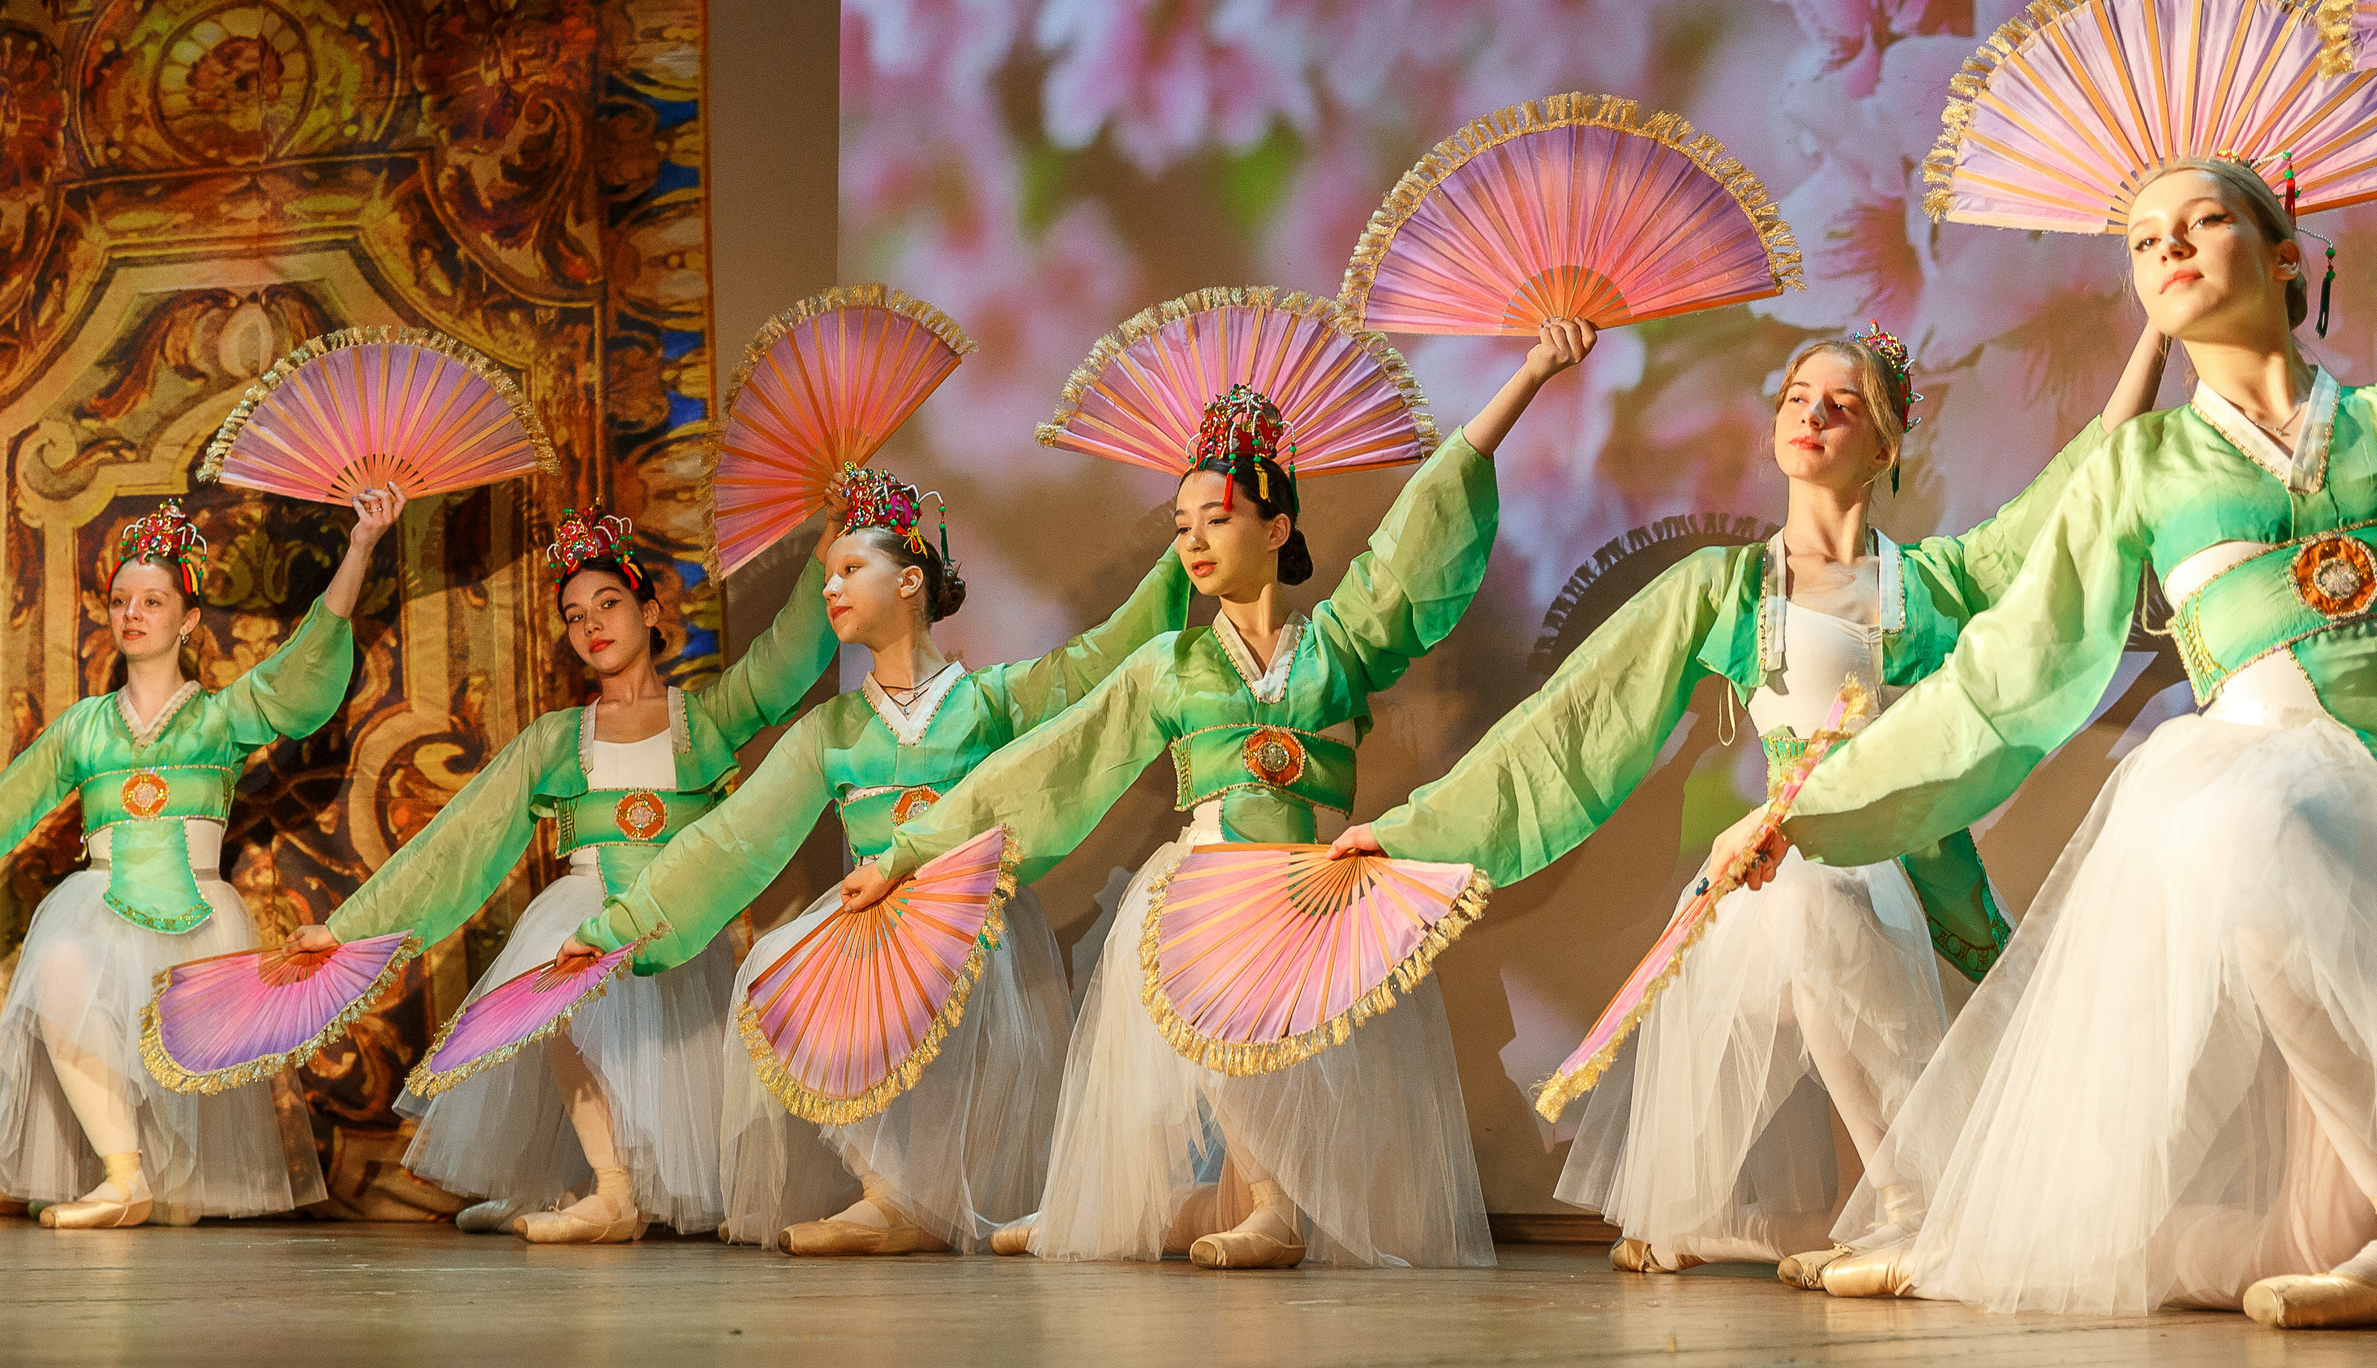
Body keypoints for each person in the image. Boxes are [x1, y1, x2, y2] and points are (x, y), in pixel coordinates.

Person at [1330, 324, 2164, 1274]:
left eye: (1842, 403)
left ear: (1886, 444)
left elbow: (2079, 487)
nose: (1812, 414)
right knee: (1806, 893)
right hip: (1768, 885)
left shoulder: (1933, 583)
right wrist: (1408, 832)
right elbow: (1572, 725)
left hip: (1891, 874)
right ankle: (1905, 1197)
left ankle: (1868, 1205)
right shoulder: (1726, 589)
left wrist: (2155, 332)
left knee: (1830, 899)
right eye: (1797, 397)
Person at [1761, 157, 2372, 1327]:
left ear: (2286, 253)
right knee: (2242, 825)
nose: (2171, 248)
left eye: (2203, 223)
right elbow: (2008, 677)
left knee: (2302, 1236)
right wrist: (1813, 804)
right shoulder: (2139, 464)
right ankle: (1966, 1229)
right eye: (2144, 242)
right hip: (2266, 787)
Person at [853, 319, 1593, 1270]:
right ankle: (1241, 1208)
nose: (1194, 540)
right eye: (1181, 525)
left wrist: (1529, 374)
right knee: (1195, 1003)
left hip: (1313, 892)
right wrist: (911, 850)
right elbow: (1053, 764)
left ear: (1276, 526)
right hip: (1208, 887)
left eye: (1217, 517)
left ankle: (1241, 1208)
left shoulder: (1339, 642)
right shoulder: (1171, 663)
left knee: (1258, 1070)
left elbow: (1422, 532)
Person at [554, 467, 1194, 1256]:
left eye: (851, 569)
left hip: (972, 923)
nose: (832, 588)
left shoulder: (991, 699)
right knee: (778, 975)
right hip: (874, 917)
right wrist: (623, 924)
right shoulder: (832, 728)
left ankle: (923, 1200)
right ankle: (887, 1191)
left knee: (961, 1002)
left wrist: (1181, 556)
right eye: (828, 576)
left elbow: (1103, 666)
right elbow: (735, 838)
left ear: (912, 579)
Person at [285, 501, 840, 1243]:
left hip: (674, 910)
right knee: (561, 1000)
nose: (593, 625)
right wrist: (349, 928)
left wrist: (830, 541)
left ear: (648, 607)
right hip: (583, 903)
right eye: (575, 615)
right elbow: (462, 840)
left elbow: (788, 656)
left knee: (668, 1054)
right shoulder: (558, 737)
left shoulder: (704, 718)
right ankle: (608, 1189)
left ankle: (625, 1188)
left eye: (608, 603)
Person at [0, 488, 404, 1227]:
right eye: (121, 600)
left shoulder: (220, 717)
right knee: (57, 973)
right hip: (99, 905)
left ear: (187, 619)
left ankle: (165, 1187)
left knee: (167, 1042)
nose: (133, 613)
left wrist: (362, 545)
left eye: (153, 600)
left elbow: (306, 660)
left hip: (199, 911)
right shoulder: (85, 728)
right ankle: (124, 1176)